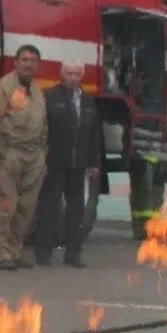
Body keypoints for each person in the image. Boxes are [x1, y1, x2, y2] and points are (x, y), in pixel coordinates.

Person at [0, 44, 48, 270]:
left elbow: (43, 126)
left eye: (32, 60)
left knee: (25, 208)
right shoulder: (2, 88)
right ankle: (0, 252)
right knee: (4, 206)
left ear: (37, 65)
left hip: (34, 157)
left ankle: (14, 250)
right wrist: (1, 153)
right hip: (10, 153)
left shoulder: (38, 92)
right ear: (16, 62)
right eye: (24, 59)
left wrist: (42, 155)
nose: (28, 63)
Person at [33, 61, 100, 267]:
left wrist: (94, 163)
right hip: (53, 162)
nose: (73, 77)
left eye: (77, 73)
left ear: (82, 76)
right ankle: (43, 253)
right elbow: (40, 131)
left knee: (76, 210)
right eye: (69, 73)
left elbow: (94, 135)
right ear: (62, 75)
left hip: (78, 165)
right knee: (48, 208)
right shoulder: (49, 97)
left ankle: (73, 254)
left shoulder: (88, 101)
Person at [128, 63, 167, 239]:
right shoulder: (150, 96)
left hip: (162, 154)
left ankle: (152, 230)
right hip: (143, 151)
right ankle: (140, 230)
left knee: (157, 194)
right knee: (141, 191)